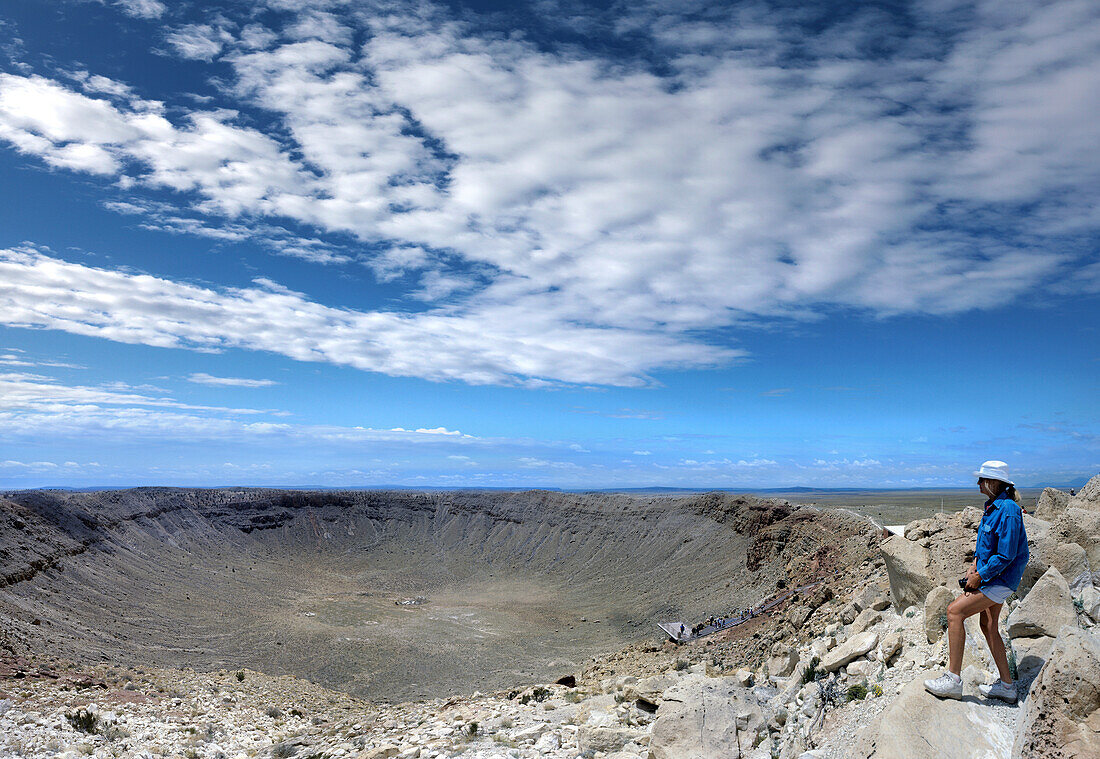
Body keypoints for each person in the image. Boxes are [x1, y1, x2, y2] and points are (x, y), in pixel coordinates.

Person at [925, 461, 1029, 703]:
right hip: (991, 575)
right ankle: (1007, 686)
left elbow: (1006, 554)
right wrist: (974, 565)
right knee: (989, 626)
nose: (978, 484)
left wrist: (980, 576)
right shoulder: (993, 507)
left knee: (954, 612)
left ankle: (952, 680)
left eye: (982, 480)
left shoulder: (1009, 510)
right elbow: (985, 546)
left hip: (1000, 578)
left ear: (993, 483)